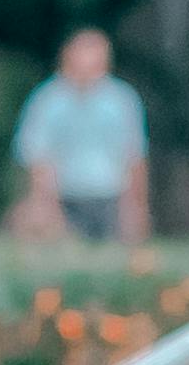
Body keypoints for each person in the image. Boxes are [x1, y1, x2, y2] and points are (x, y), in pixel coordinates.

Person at [12, 28, 151, 244]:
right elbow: (39, 160)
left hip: (109, 198)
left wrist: (136, 207)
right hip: (65, 198)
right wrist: (45, 205)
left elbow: (133, 157)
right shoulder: (47, 101)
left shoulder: (121, 100)